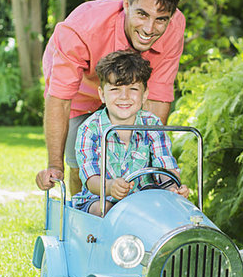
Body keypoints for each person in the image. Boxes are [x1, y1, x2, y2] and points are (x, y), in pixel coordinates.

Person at [35, 0, 185, 196]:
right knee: (80, 164)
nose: (148, 28)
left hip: (132, 90)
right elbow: (60, 99)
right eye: (142, 14)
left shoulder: (175, 27)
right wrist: (55, 165)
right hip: (80, 91)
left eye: (160, 19)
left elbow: (158, 97)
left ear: (171, 16)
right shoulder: (80, 29)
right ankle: (85, 219)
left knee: (138, 162)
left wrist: (154, 164)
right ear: (127, 4)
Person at [72, 50, 189, 215]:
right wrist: (110, 186)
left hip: (144, 200)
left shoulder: (151, 124)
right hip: (100, 198)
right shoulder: (90, 129)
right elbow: (90, 179)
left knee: (171, 207)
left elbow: (165, 166)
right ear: (102, 94)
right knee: (105, 209)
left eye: (133, 89)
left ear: (144, 95)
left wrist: (172, 188)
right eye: (115, 89)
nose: (124, 96)